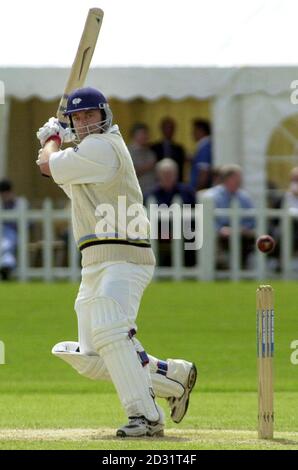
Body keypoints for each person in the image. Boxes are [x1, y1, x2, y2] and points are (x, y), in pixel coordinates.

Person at [36, 87, 197, 438]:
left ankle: (146, 417)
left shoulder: (104, 146)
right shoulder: (87, 153)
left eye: (90, 115)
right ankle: (175, 376)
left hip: (125, 254)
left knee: (111, 329)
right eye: (77, 117)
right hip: (94, 261)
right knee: (93, 358)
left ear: (104, 115)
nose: (84, 122)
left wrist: (52, 139)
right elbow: (57, 172)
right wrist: (56, 147)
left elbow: (49, 165)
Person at [205, 165, 255, 268]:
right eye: (237, 178)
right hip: (221, 234)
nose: (240, 181)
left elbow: (252, 219)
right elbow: (207, 220)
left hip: (242, 234)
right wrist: (220, 230)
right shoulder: (211, 196)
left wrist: (244, 229)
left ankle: (241, 268)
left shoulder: (244, 197)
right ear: (227, 179)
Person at [151, 117, 185, 182]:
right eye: (166, 128)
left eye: (171, 128)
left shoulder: (179, 148)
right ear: (162, 129)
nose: (169, 130)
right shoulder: (154, 148)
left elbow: (181, 169)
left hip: (176, 182)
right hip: (157, 182)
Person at [128, 123, 157, 195]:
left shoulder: (150, 152)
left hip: (151, 191)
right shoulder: (127, 152)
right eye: (143, 134)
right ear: (134, 135)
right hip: (135, 192)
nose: (146, 136)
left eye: (146, 134)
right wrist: (147, 167)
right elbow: (129, 172)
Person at [0, 179, 18, 280]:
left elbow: (28, 224)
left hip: (14, 235)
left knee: (7, 243)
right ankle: (7, 265)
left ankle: (6, 265)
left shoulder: (18, 204)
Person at [190, 119, 212, 191]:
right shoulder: (205, 146)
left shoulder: (204, 148)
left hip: (200, 190)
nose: (192, 133)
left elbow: (204, 173)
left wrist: (196, 191)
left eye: (194, 130)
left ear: (201, 131)